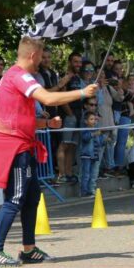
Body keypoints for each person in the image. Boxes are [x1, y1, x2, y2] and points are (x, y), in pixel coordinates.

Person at [0, 36, 98, 267]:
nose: (41, 63)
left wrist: (45, 124)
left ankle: (28, 248)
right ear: (33, 56)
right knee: (15, 197)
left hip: (21, 143)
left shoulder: (11, 77)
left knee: (32, 196)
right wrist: (82, 93)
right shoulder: (19, 75)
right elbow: (47, 97)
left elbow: (15, 117)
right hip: (14, 146)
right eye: (41, 56)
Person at [56, 52, 83, 183]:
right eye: (75, 61)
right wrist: (70, 113)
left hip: (79, 114)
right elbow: (61, 96)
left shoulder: (79, 77)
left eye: (79, 62)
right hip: (68, 115)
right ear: (70, 62)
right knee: (64, 144)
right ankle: (61, 174)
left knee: (72, 145)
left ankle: (69, 173)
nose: (78, 64)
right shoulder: (65, 76)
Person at [79, 111, 104, 197]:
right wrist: (93, 134)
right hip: (86, 155)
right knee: (86, 174)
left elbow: (100, 142)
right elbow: (85, 138)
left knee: (93, 174)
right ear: (86, 121)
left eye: (95, 119)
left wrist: (104, 140)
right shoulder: (84, 129)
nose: (94, 121)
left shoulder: (97, 130)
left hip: (95, 155)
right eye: (91, 119)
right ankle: (84, 191)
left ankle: (91, 190)